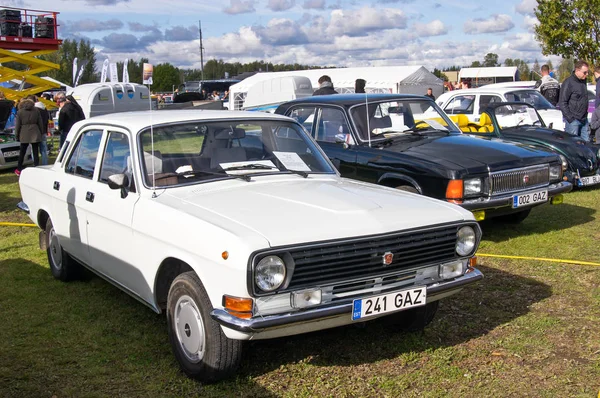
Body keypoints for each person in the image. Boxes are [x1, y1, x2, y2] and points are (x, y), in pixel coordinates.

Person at [558, 60, 590, 142]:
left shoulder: (583, 81)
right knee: (572, 145)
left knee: (586, 144)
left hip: (583, 119)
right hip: (573, 120)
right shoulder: (568, 83)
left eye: (587, 72)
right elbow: (562, 102)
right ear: (577, 70)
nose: (587, 75)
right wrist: (571, 119)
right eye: (585, 72)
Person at [15, 98, 44, 176]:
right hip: (35, 131)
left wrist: (16, 135)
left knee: (22, 152)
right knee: (35, 151)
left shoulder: (20, 112)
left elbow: (17, 125)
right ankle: (36, 166)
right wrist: (41, 132)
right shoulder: (36, 110)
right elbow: (40, 122)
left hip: (24, 132)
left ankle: (19, 168)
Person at [32, 96, 49, 165]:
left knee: (34, 149)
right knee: (44, 149)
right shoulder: (44, 108)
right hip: (43, 131)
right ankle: (45, 163)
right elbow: (46, 119)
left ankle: (36, 164)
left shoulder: (34, 110)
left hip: (35, 131)